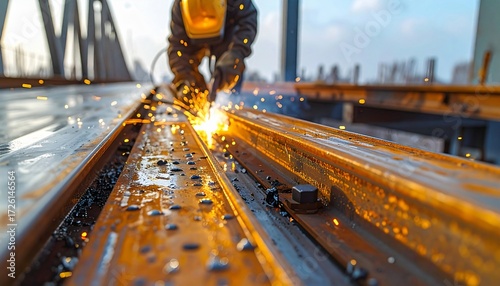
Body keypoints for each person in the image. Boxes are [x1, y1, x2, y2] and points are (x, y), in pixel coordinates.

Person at [167, 0, 258, 106]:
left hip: (227, 33)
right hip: (192, 40)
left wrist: (235, 54)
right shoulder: (180, 7)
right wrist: (185, 79)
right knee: (189, 81)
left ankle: (231, 102)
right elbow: (178, 47)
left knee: (230, 68)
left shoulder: (237, 2)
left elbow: (247, 23)